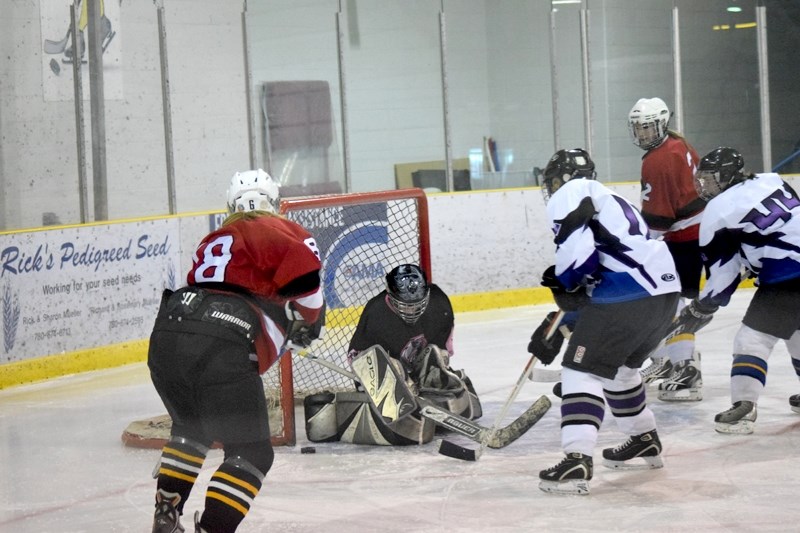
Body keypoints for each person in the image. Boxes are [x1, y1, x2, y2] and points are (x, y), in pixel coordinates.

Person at [148, 169, 325, 533]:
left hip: (168, 332)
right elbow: (307, 288)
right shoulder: (284, 230)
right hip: (222, 343)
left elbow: (223, 288)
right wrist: (308, 324)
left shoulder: (215, 238)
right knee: (251, 453)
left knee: (191, 430)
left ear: (230, 205)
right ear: (274, 203)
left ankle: (165, 514)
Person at [533, 148, 681, 495]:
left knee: (581, 370)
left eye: (553, 179)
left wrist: (565, 283)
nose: (552, 187)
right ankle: (643, 437)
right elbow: (602, 269)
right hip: (664, 295)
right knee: (621, 370)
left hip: (629, 296)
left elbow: (578, 262)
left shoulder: (571, 192)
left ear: (563, 178)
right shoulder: (611, 198)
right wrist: (565, 316)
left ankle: (577, 459)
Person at [670, 147, 800, 434]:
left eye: (710, 179)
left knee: (752, 340)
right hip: (792, 267)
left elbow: (723, 274)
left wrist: (704, 306)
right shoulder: (772, 179)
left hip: (789, 276)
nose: (703, 186)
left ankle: (744, 406)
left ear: (727, 175)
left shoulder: (718, 209)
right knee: (796, 331)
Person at [303, 263, 482, 446]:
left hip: (416, 373)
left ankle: (426, 393)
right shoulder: (376, 313)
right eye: (405, 305)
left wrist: (427, 379)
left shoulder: (439, 302)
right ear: (390, 294)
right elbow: (359, 358)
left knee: (435, 355)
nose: (411, 310)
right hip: (391, 378)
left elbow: (443, 350)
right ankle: (406, 396)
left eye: (417, 304)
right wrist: (389, 381)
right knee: (392, 366)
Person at [628, 97, 706, 401]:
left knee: (669, 304)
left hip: (686, 238)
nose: (643, 134)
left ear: (660, 124)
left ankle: (686, 369)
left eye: (648, 127)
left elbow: (660, 217)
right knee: (664, 302)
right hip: (695, 235)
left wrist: (637, 245)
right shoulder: (676, 144)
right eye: (639, 128)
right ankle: (668, 361)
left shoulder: (658, 158)